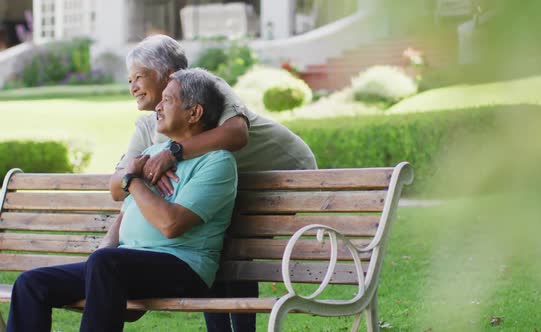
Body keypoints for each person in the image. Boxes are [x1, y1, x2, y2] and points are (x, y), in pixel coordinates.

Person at [111, 34, 317, 332]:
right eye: (129, 80)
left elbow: (236, 135)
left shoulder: (208, 87)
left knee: (231, 248)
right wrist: (133, 176)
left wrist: (173, 153)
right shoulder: (148, 125)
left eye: (139, 77)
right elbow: (120, 186)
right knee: (209, 242)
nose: (132, 88)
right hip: (229, 177)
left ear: (168, 75)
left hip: (279, 171)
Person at [6, 68, 237, 332]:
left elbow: (170, 224)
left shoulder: (217, 162)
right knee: (31, 284)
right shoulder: (154, 153)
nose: (158, 107)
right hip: (122, 264)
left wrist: (132, 180)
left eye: (168, 100)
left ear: (194, 113)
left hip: (183, 266)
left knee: (107, 264)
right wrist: (102, 251)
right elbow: (125, 215)